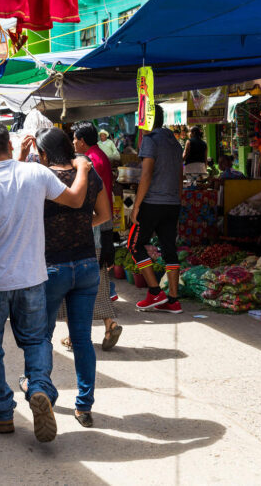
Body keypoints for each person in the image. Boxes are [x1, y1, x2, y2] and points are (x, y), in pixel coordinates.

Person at [0, 122, 91, 442]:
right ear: (10, 146)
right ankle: (39, 386)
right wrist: (82, 166)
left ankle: (1, 414)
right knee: (37, 340)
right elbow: (76, 200)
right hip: (31, 278)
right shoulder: (36, 173)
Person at [31, 127, 111, 427]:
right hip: (88, 264)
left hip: (52, 266)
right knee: (82, 339)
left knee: (42, 335)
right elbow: (104, 214)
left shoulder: (41, 177)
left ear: (44, 153)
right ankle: (84, 405)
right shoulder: (88, 174)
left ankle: (44, 394)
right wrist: (79, 224)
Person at [72, 122, 123, 350]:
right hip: (98, 226)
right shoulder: (98, 155)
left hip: (93, 228)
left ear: (82, 140)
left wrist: (104, 233)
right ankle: (102, 327)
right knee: (95, 280)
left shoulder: (90, 162)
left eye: (74, 139)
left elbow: (96, 198)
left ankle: (107, 325)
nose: (73, 143)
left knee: (91, 282)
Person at [131, 105, 185, 314]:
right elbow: (179, 177)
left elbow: (146, 175)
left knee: (134, 245)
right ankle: (173, 300)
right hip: (172, 203)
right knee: (169, 249)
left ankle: (155, 291)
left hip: (152, 203)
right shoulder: (175, 142)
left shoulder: (150, 141)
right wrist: (177, 201)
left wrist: (136, 206)